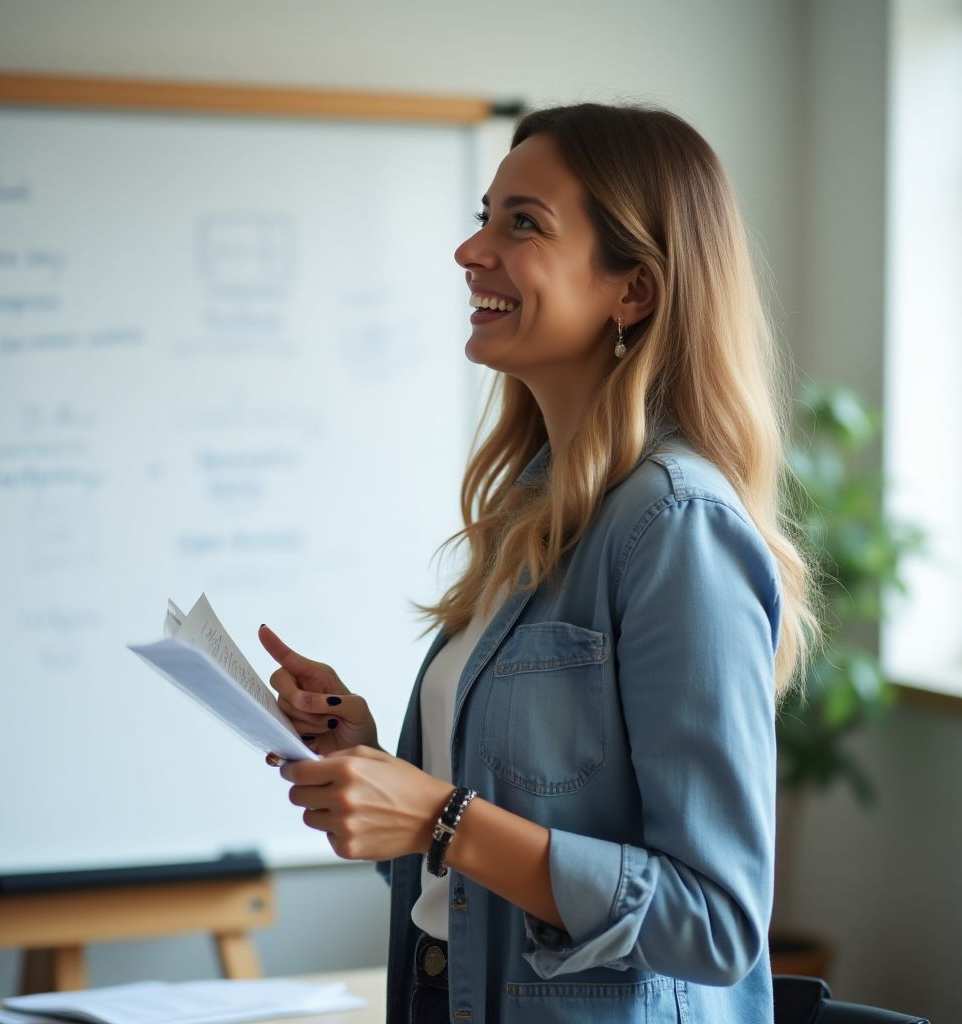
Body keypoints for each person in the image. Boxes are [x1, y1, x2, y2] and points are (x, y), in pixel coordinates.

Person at [258, 102, 812, 1024]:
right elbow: (477, 869)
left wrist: (440, 817)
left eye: (523, 224)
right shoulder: (535, 510)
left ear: (632, 290)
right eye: (484, 215)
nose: (471, 251)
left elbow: (715, 924)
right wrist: (370, 763)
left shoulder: (675, 525)